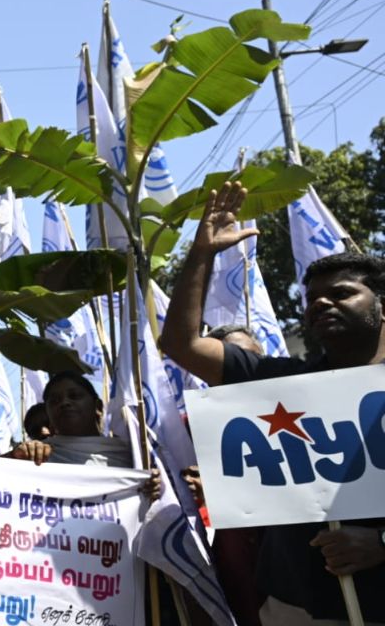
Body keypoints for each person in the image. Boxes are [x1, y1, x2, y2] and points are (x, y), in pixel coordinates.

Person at [160, 181, 385, 624]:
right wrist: (202, 252)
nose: (320, 303)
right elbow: (181, 342)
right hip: (294, 605)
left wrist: (380, 545)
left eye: (340, 293)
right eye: (312, 298)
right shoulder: (280, 383)